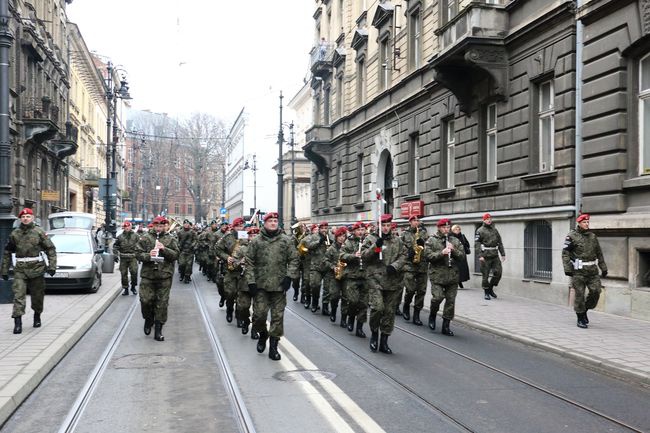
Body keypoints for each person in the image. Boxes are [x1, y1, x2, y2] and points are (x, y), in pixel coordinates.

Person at [245, 212, 299, 361]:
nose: (274, 223)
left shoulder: (286, 241)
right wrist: (251, 282)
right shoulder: (256, 241)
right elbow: (249, 262)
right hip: (260, 286)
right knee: (259, 316)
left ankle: (274, 347)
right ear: (265, 223)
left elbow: (294, 259)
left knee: (277, 317)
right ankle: (263, 335)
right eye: (271, 221)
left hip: (279, 286)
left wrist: (289, 277)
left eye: (276, 221)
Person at [2, 208, 57, 334]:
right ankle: (17, 322)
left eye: (28, 216)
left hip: (36, 268)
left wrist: (52, 266)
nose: (25, 218)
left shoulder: (39, 232)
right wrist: (4, 270)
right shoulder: (15, 234)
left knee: (37, 296)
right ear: (20, 219)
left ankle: (37, 315)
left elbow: (50, 249)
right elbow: (7, 252)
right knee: (18, 295)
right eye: (23, 217)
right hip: (20, 269)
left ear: (32, 218)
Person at [362, 214, 407, 354]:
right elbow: (364, 255)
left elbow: (404, 255)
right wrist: (376, 246)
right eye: (384, 225)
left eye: (389, 225)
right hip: (375, 279)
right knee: (378, 308)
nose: (386, 228)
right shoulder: (370, 239)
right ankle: (374, 333)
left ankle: (384, 341)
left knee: (389, 312)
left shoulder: (397, 241)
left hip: (393, 281)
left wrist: (395, 266)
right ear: (378, 225)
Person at [135, 216, 179, 341]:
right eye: (157, 226)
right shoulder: (145, 237)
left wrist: (164, 249)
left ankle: (158, 330)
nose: (159, 228)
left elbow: (176, 255)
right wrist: (149, 255)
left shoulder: (170, 239)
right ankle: (148, 319)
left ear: (165, 226)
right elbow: (137, 253)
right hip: (148, 275)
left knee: (162, 304)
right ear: (153, 226)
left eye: (162, 226)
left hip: (164, 275)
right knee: (145, 300)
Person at [562, 214, 608, 328]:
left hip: (592, 271)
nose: (586, 224)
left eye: (588, 222)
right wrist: (568, 269)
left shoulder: (592, 236)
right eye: (584, 222)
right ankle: (580, 318)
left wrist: (603, 268)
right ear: (579, 223)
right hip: (578, 272)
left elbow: (599, 253)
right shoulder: (571, 236)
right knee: (579, 295)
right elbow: (565, 254)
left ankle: (584, 310)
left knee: (596, 291)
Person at [424, 218, 466, 336]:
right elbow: (427, 256)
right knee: (438, 297)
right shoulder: (431, 240)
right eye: (444, 227)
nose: (446, 230)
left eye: (448, 227)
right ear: (439, 228)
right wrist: (441, 253)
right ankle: (432, 314)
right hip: (437, 275)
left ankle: (446, 325)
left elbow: (462, 256)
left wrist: (454, 250)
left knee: (450, 301)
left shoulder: (454, 240)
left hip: (452, 276)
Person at [340, 221, 369, 335]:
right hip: (352, 276)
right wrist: (353, 256)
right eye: (358, 230)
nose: (361, 232)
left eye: (362, 230)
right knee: (353, 301)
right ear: (354, 231)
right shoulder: (349, 242)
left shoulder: (368, 241)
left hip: (365, 276)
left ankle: (360, 327)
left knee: (363, 303)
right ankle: (351, 317)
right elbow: (342, 256)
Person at [216, 217, 246, 323]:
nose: (240, 228)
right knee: (230, 293)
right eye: (238, 226)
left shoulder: (247, 236)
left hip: (243, 270)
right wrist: (226, 257)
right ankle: (229, 310)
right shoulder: (227, 237)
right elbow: (218, 249)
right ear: (233, 227)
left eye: (242, 226)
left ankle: (239, 317)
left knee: (241, 296)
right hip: (230, 270)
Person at [400, 215, 428, 325]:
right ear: (410, 222)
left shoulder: (424, 233)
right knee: (410, 289)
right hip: (409, 266)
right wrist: (409, 252)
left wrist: (423, 245)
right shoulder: (404, 234)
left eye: (418, 220)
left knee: (421, 291)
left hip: (422, 265)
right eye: (414, 220)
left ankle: (417, 314)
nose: (417, 222)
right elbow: (400, 249)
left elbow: (430, 247)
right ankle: (406, 305)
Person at [475, 213, 506, 300]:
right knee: (485, 275)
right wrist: (480, 255)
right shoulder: (480, 230)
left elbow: (500, 242)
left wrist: (502, 254)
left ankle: (490, 288)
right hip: (485, 256)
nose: (489, 220)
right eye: (487, 219)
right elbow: (477, 244)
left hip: (495, 255)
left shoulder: (495, 230)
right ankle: (486, 292)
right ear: (484, 220)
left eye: (490, 219)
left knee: (498, 273)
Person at [303, 221, 332, 313]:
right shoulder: (313, 236)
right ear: (319, 229)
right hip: (316, 266)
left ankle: (325, 307)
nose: (324, 230)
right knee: (315, 285)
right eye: (322, 228)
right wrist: (319, 241)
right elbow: (309, 246)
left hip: (327, 266)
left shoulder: (331, 237)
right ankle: (315, 303)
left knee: (327, 288)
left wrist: (331, 243)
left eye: (325, 228)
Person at [236, 226, 258, 338]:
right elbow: (233, 263)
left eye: (256, 235)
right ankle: (245, 321)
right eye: (251, 236)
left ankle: (255, 329)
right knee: (243, 307)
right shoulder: (241, 249)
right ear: (248, 237)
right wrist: (240, 262)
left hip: (259, 283)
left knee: (259, 310)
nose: (253, 238)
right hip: (245, 283)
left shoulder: (263, 248)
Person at [324, 226, 348, 323]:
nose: (342, 238)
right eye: (340, 236)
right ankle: (333, 311)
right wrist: (333, 267)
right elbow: (325, 260)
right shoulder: (331, 249)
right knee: (334, 296)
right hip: (334, 276)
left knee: (346, 298)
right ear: (336, 237)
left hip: (346, 275)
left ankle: (343, 319)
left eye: (343, 236)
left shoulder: (347, 247)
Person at [113, 221, 139, 295]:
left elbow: (140, 245)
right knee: (123, 274)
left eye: (128, 226)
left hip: (133, 257)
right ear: (124, 227)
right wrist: (115, 255)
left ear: (130, 227)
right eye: (125, 226)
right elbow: (115, 246)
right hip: (123, 257)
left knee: (134, 272)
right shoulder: (120, 237)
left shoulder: (136, 236)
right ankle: (125, 288)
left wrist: (139, 255)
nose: (127, 228)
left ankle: (133, 287)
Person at [177, 219, 197, 283]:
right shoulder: (180, 232)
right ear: (183, 224)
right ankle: (182, 274)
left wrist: (193, 245)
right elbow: (177, 240)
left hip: (190, 251)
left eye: (187, 223)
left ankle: (187, 276)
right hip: (182, 250)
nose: (186, 225)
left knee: (189, 265)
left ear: (189, 224)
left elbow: (195, 240)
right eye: (185, 224)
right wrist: (178, 246)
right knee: (182, 264)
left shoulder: (192, 232)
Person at [451, 224, 471, 288]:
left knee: (462, 270)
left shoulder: (462, 236)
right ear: (453, 230)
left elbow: (467, 244)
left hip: (462, 255)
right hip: (454, 255)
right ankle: (456, 282)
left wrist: (465, 245)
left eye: (459, 229)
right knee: (455, 269)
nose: (458, 230)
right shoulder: (450, 237)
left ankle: (460, 281)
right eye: (456, 229)